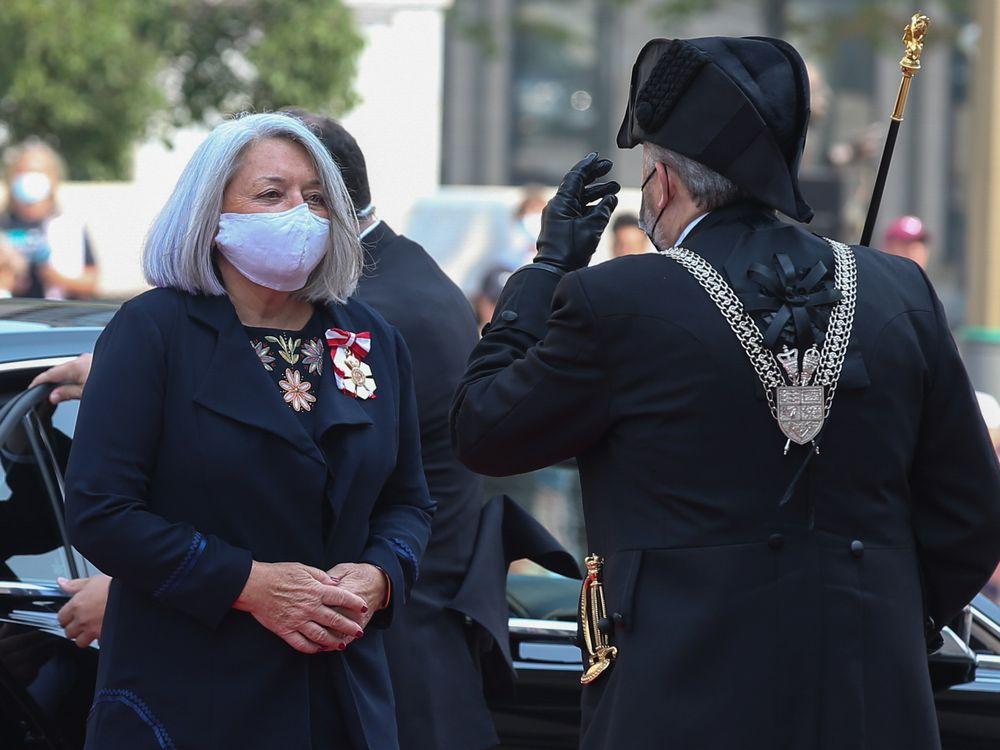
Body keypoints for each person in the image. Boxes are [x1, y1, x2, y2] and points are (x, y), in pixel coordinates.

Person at [451, 36, 1000, 750]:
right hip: (871, 704)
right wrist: (888, 614)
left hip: (681, 703)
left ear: (662, 182)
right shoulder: (899, 290)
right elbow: (972, 514)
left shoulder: (617, 300)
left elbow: (483, 428)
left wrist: (550, 265)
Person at [64, 112, 435, 750]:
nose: (300, 213)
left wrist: (379, 576)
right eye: (271, 194)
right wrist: (250, 585)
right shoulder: (154, 331)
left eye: (316, 197)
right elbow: (101, 510)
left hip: (340, 694)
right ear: (211, 214)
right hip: (191, 696)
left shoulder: (369, 337)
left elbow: (408, 502)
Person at [1, 139, 99, 299]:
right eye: (23, 172)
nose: (29, 178)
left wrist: (55, 278)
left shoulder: (69, 226)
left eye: (37, 172)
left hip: (58, 312)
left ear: (53, 178)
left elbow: (91, 282)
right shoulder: (3, 225)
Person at [471, 265, 514, 330]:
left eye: (508, 304)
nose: (502, 311)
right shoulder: (466, 330)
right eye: (496, 303)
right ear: (481, 300)